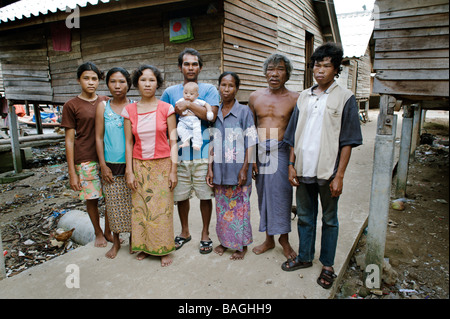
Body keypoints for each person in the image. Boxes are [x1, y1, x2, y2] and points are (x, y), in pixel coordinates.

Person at [282, 43, 363, 289]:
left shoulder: (345, 98)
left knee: (329, 219)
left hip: (329, 172)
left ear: (336, 69)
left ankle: (327, 264)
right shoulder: (304, 97)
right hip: (303, 169)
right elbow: (294, 135)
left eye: (326, 66)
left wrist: (340, 176)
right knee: (305, 217)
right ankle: (305, 257)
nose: (320, 70)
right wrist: (291, 165)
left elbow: (348, 141)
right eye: (317, 65)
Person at [161, 48, 220, 254]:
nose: (191, 67)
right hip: (179, 153)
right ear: (180, 67)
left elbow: (209, 116)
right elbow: (165, 119)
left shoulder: (210, 90)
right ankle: (185, 232)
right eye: (186, 64)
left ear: (200, 67)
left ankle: (205, 233)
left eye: (194, 64)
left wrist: (187, 104)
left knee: (205, 195)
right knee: (181, 196)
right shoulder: (169, 92)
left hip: (204, 152)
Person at [122, 65, 178, 267]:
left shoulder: (166, 108)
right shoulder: (129, 110)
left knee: (162, 210)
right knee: (141, 209)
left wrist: (173, 170)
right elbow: (129, 142)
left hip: (163, 166)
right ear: (137, 82)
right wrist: (129, 171)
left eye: (152, 80)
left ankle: (163, 248)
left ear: (158, 83)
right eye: (143, 80)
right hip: (139, 166)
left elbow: (173, 141)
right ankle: (145, 247)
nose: (147, 84)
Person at [248, 53, 299, 260]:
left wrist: (291, 163)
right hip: (260, 153)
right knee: (264, 197)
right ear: (265, 73)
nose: (274, 74)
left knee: (283, 197)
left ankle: (284, 240)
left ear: (287, 74)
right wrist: (251, 158)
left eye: (280, 69)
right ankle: (269, 238)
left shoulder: (295, 98)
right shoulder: (255, 97)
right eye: (270, 69)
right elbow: (251, 128)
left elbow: (296, 133)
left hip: (281, 151)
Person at [206, 72, 257, 260]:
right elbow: (211, 142)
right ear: (219, 86)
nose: (226, 89)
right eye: (223, 85)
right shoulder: (215, 112)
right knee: (222, 208)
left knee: (240, 208)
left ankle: (241, 245)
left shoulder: (244, 112)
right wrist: (210, 169)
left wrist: (246, 167)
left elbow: (251, 141)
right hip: (220, 169)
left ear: (237, 88)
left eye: (231, 86)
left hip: (238, 170)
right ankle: (225, 242)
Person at [61, 61, 112, 248]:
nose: (91, 82)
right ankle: (98, 232)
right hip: (85, 157)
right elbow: (69, 140)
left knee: (111, 196)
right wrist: (72, 173)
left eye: (94, 79)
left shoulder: (106, 101)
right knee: (92, 198)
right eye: (86, 78)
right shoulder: (71, 105)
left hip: (107, 157)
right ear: (78, 80)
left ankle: (109, 231)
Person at [95, 67, 133, 259]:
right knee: (114, 204)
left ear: (128, 84)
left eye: (122, 82)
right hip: (110, 163)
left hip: (132, 163)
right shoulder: (103, 107)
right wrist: (102, 165)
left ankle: (135, 240)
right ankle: (117, 242)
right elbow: (98, 137)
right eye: (113, 82)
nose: (117, 86)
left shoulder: (134, 106)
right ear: (107, 84)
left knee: (134, 203)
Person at [177, 81, 214, 150]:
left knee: (197, 131)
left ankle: (197, 144)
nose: (188, 95)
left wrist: (209, 112)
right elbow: (177, 107)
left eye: (191, 94)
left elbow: (207, 104)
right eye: (185, 93)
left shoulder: (197, 101)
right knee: (180, 129)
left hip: (194, 120)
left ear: (196, 95)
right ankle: (186, 140)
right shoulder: (181, 100)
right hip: (183, 120)